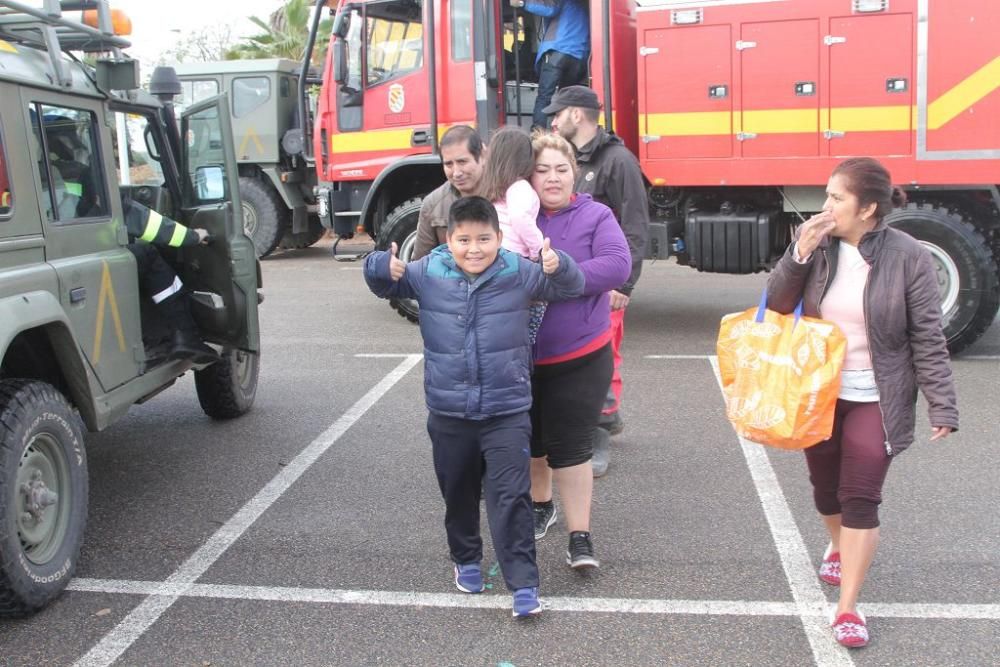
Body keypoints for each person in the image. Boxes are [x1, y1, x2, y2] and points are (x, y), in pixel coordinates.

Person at [766, 157, 958, 648]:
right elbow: (778, 304)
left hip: (879, 393)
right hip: (821, 391)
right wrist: (799, 253)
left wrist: (942, 403)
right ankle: (836, 544)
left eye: (836, 198)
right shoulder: (818, 245)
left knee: (860, 494)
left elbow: (928, 337)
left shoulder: (908, 256)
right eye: (826, 195)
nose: (824, 206)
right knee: (825, 489)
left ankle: (848, 607)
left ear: (868, 207)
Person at [363, 196, 585, 617]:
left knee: (511, 497)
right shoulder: (428, 271)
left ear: (499, 239)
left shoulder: (518, 272)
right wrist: (379, 265)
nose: (474, 248)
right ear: (449, 240)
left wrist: (561, 265)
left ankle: (524, 584)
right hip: (449, 412)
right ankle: (465, 558)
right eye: (464, 239)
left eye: (484, 238)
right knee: (459, 492)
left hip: (507, 410)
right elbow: (384, 285)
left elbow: (567, 288)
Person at [527, 132, 630, 569]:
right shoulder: (517, 219)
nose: (553, 178)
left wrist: (563, 274)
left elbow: (616, 264)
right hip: (522, 356)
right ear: (527, 177)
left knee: (571, 446)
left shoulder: (595, 214)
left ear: (576, 173)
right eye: (542, 170)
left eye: (562, 169)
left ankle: (580, 536)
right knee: (532, 442)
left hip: (580, 356)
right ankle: (540, 503)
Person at [42, 113, 215, 365]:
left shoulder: (42, 175)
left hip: (59, 255)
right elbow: (148, 224)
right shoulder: (89, 173)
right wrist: (193, 236)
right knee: (148, 254)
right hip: (88, 256)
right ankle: (185, 335)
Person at [544, 84, 650, 477]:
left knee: (601, 363)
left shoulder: (617, 160)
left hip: (604, 285)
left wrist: (625, 284)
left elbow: (636, 224)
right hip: (568, 286)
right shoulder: (569, 160)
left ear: (576, 114)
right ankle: (607, 418)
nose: (552, 121)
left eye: (557, 114)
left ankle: (597, 438)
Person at [477, 126, 546, 340]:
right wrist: (538, 249)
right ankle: (527, 340)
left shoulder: (491, 190)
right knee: (538, 302)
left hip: (492, 258)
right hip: (515, 259)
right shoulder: (520, 187)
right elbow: (520, 218)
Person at [511, 0, 590, 131]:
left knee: (544, 97)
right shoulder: (585, 9)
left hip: (557, 52)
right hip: (579, 58)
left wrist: (522, 3)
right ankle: (565, 134)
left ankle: (538, 136)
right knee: (566, 99)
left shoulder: (563, 2)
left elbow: (550, 9)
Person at [412, 125, 487, 260]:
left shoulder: (506, 195)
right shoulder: (433, 205)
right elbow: (420, 266)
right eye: (449, 164)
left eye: (462, 162)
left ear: (482, 156)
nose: (456, 172)